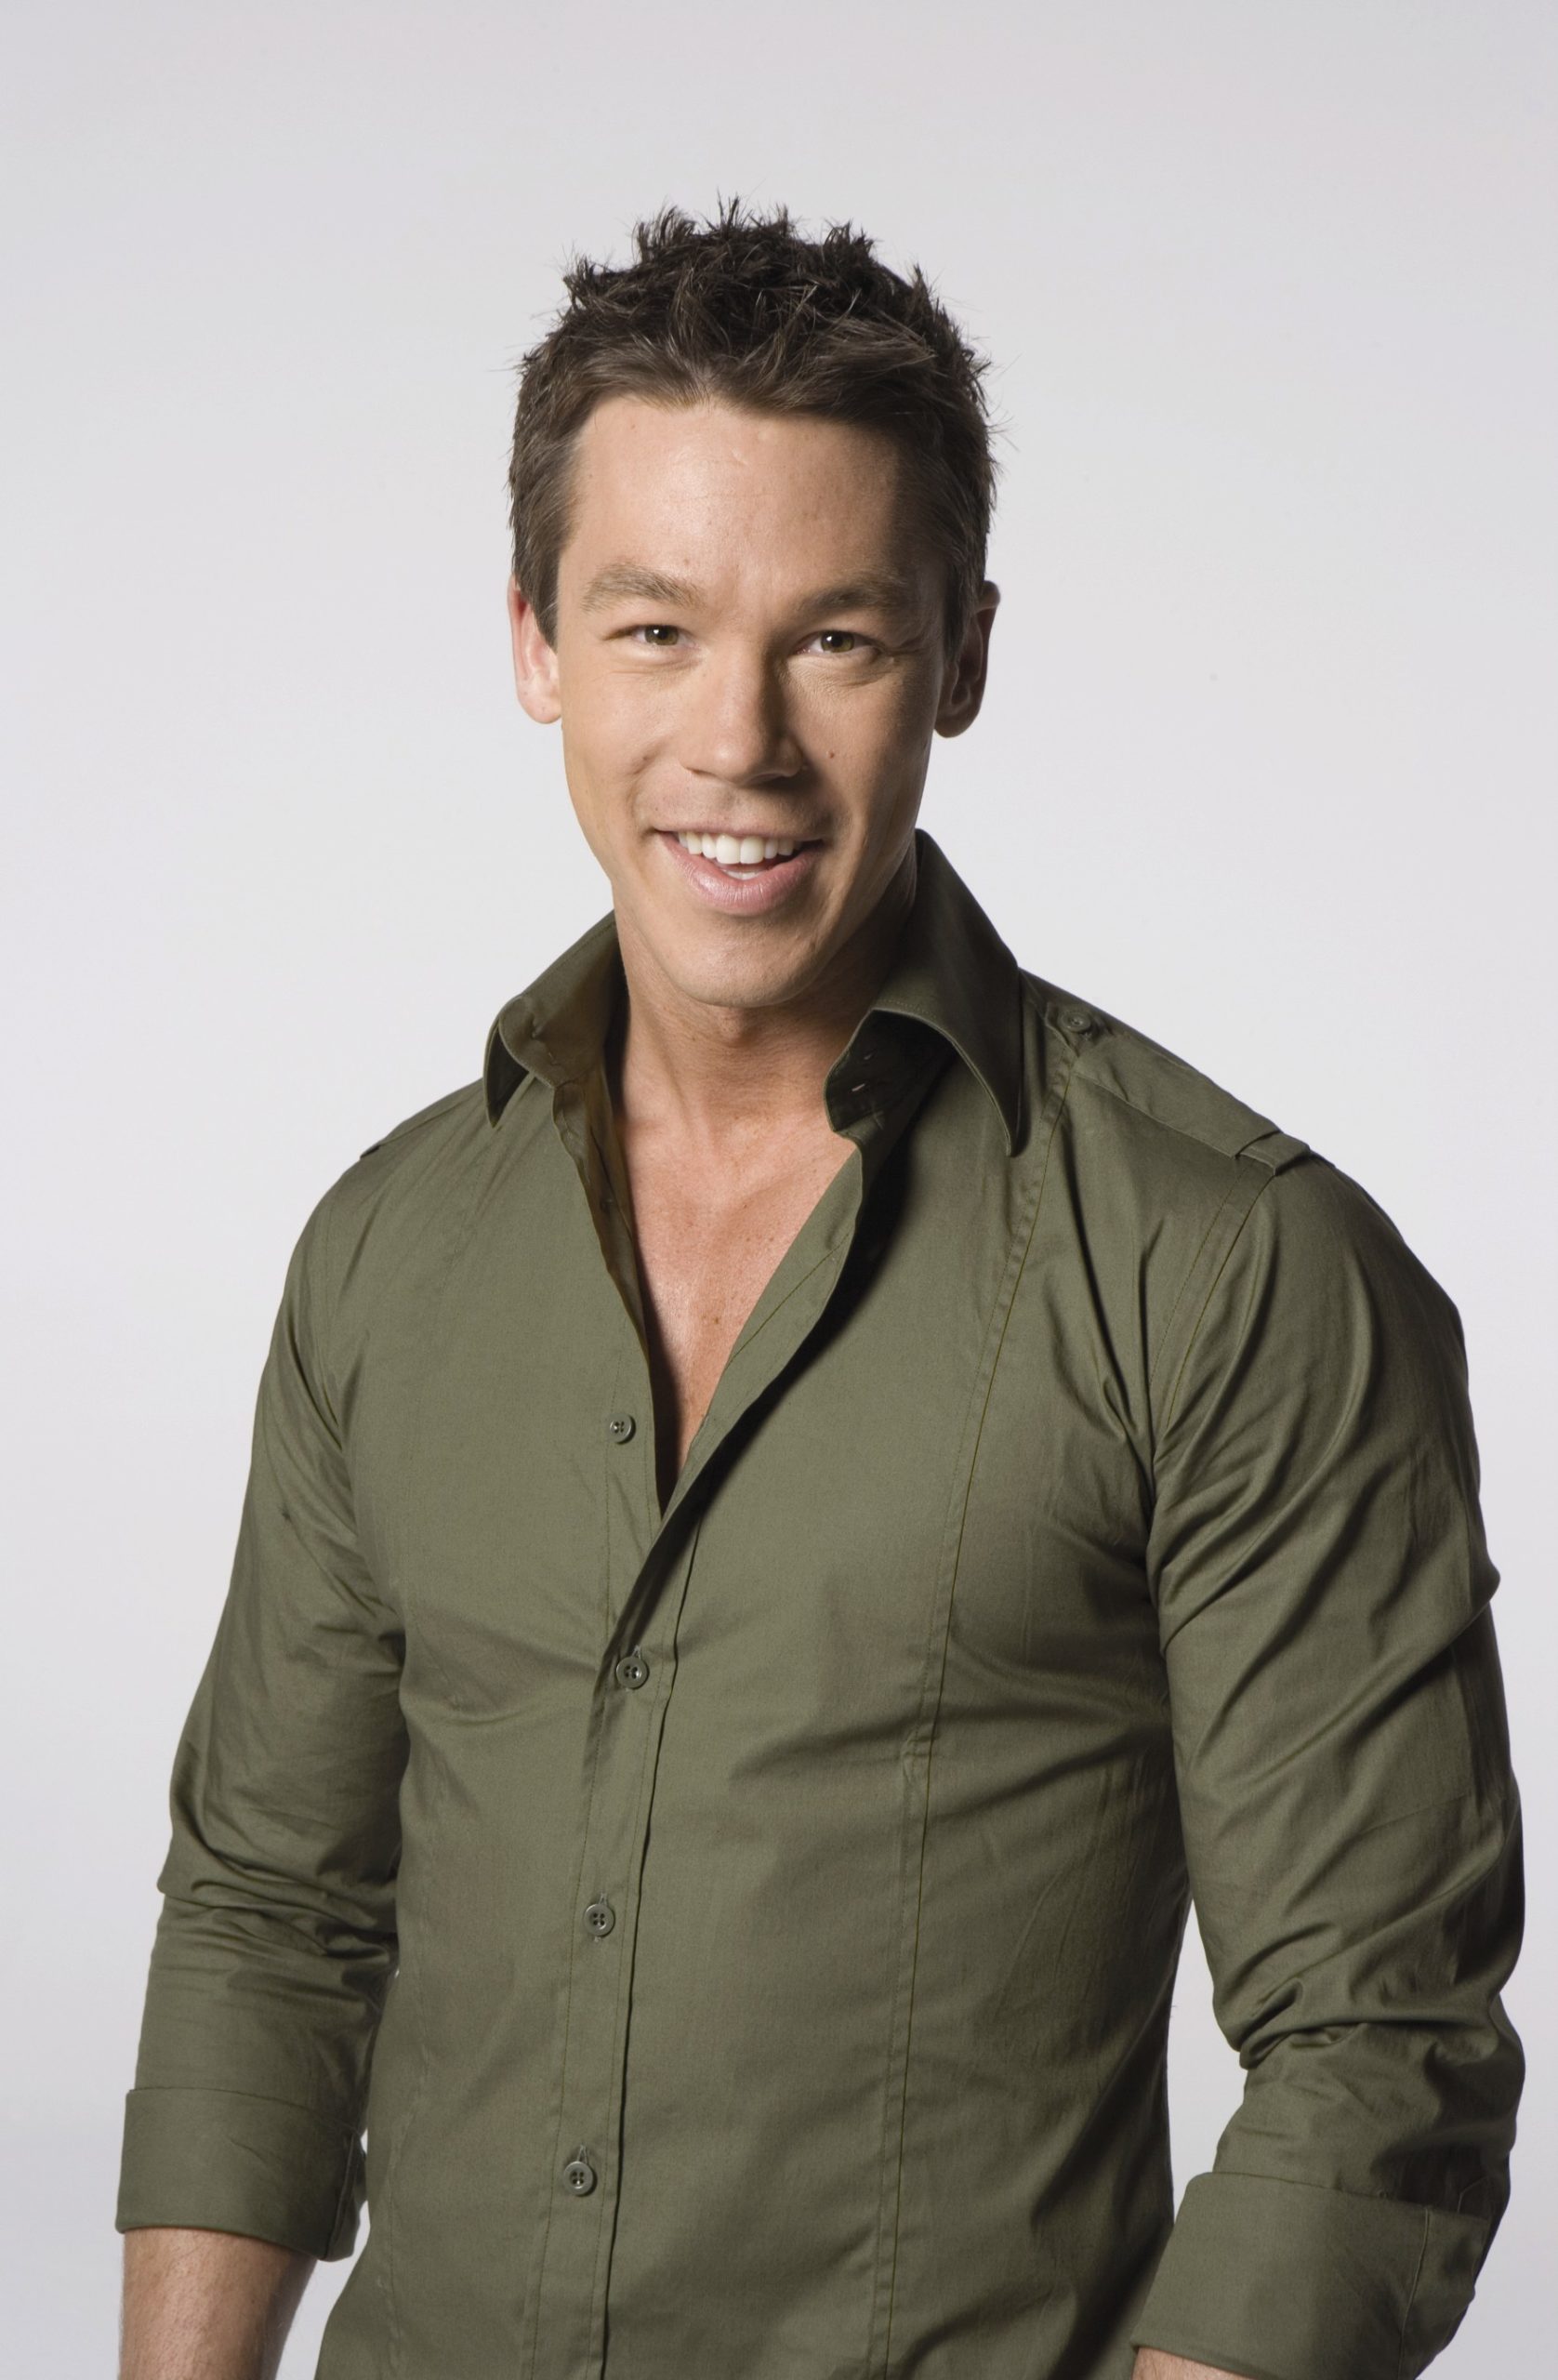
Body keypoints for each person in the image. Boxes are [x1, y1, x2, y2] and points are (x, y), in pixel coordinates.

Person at [115, 201, 1523, 2380]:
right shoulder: (389, 1248)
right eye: (654, 627)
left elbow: (1378, 2042)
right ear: (536, 642)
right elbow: (268, 1920)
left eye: (836, 638)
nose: (737, 740)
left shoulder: (1234, 1267)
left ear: (961, 653)